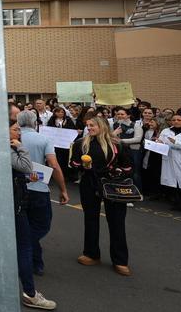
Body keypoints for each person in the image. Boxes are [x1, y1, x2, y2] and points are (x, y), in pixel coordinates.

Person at [69, 116, 133, 276]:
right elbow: (72, 164)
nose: (89, 128)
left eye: (92, 125)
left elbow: (128, 167)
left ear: (102, 126)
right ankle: (91, 254)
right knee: (90, 219)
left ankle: (120, 260)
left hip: (112, 186)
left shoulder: (117, 144)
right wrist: (83, 166)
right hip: (89, 185)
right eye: (87, 125)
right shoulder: (81, 143)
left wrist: (115, 172)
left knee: (117, 222)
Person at [8, 120, 56, 310]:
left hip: (18, 198)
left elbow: (19, 172)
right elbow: (26, 166)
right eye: (14, 129)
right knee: (25, 246)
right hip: (16, 203)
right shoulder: (11, 148)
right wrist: (21, 148)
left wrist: (27, 177)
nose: (18, 132)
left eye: (19, 128)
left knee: (26, 242)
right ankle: (30, 293)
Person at [17, 110, 69, 278]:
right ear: (35, 122)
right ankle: (31, 260)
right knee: (41, 226)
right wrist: (63, 189)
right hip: (38, 188)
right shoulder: (44, 139)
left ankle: (32, 260)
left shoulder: (14, 139)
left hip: (18, 188)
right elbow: (54, 165)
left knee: (24, 225)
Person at [113, 108, 143, 198]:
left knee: (135, 173)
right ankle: (123, 192)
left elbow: (138, 139)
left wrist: (121, 141)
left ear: (128, 115)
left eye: (122, 114)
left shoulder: (135, 125)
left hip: (134, 151)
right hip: (120, 151)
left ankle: (138, 193)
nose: (120, 116)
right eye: (118, 114)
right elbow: (110, 137)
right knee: (121, 171)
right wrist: (114, 134)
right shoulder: (115, 125)